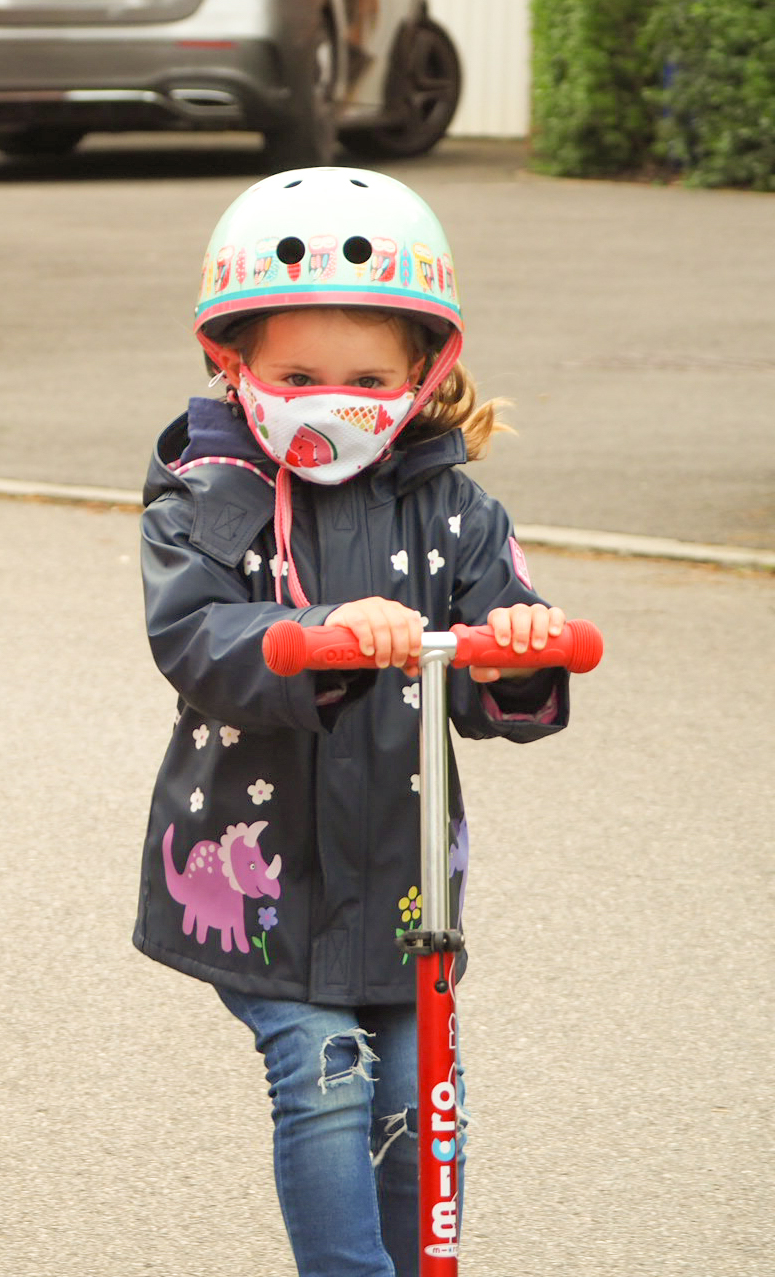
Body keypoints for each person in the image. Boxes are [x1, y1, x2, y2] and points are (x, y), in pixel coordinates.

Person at [132, 167, 573, 1277]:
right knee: (325, 1074)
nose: (330, 399)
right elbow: (192, 637)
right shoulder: (208, 494)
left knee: (424, 1093)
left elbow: (491, 668)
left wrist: (519, 646)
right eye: (296, 374)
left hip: (401, 873)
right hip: (263, 877)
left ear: (426, 371)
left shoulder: (456, 508)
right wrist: (309, 634)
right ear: (229, 363)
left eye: (367, 376)